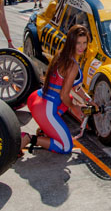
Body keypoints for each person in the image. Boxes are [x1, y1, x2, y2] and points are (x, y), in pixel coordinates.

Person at [21, 25, 96, 154]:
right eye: (78, 43)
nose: (82, 47)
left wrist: (89, 100)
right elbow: (64, 96)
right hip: (46, 108)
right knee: (65, 147)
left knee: (70, 99)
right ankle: (29, 138)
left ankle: (44, 130)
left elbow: (76, 88)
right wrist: (74, 107)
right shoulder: (72, 64)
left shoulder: (62, 55)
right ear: (71, 42)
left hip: (37, 98)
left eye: (84, 43)